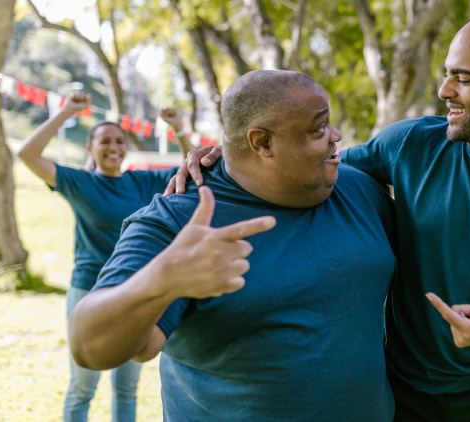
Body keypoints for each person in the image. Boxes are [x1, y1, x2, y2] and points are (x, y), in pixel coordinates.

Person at [171, 11, 470, 420]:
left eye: (464, 78)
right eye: (447, 72)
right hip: (398, 395)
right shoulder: (411, 144)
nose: (445, 90)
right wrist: (229, 156)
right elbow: (301, 166)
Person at [68, 70, 397, 421]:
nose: (336, 135)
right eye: (318, 128)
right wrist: (163, 279)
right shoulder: (180, 219)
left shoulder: (358, 188)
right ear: (262, 143)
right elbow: (89, 348)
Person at [16, 93, 194, 422]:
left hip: (134, 291)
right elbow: (27, 154)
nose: (114, 146)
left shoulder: (143, 181)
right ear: (90, 148)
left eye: (119, 140)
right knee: (83, 386)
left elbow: (191, 168)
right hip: (88, 291)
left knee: (126, 388)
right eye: (104, 141)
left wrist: (178, 130)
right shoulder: (80, 183)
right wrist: (67, 111)